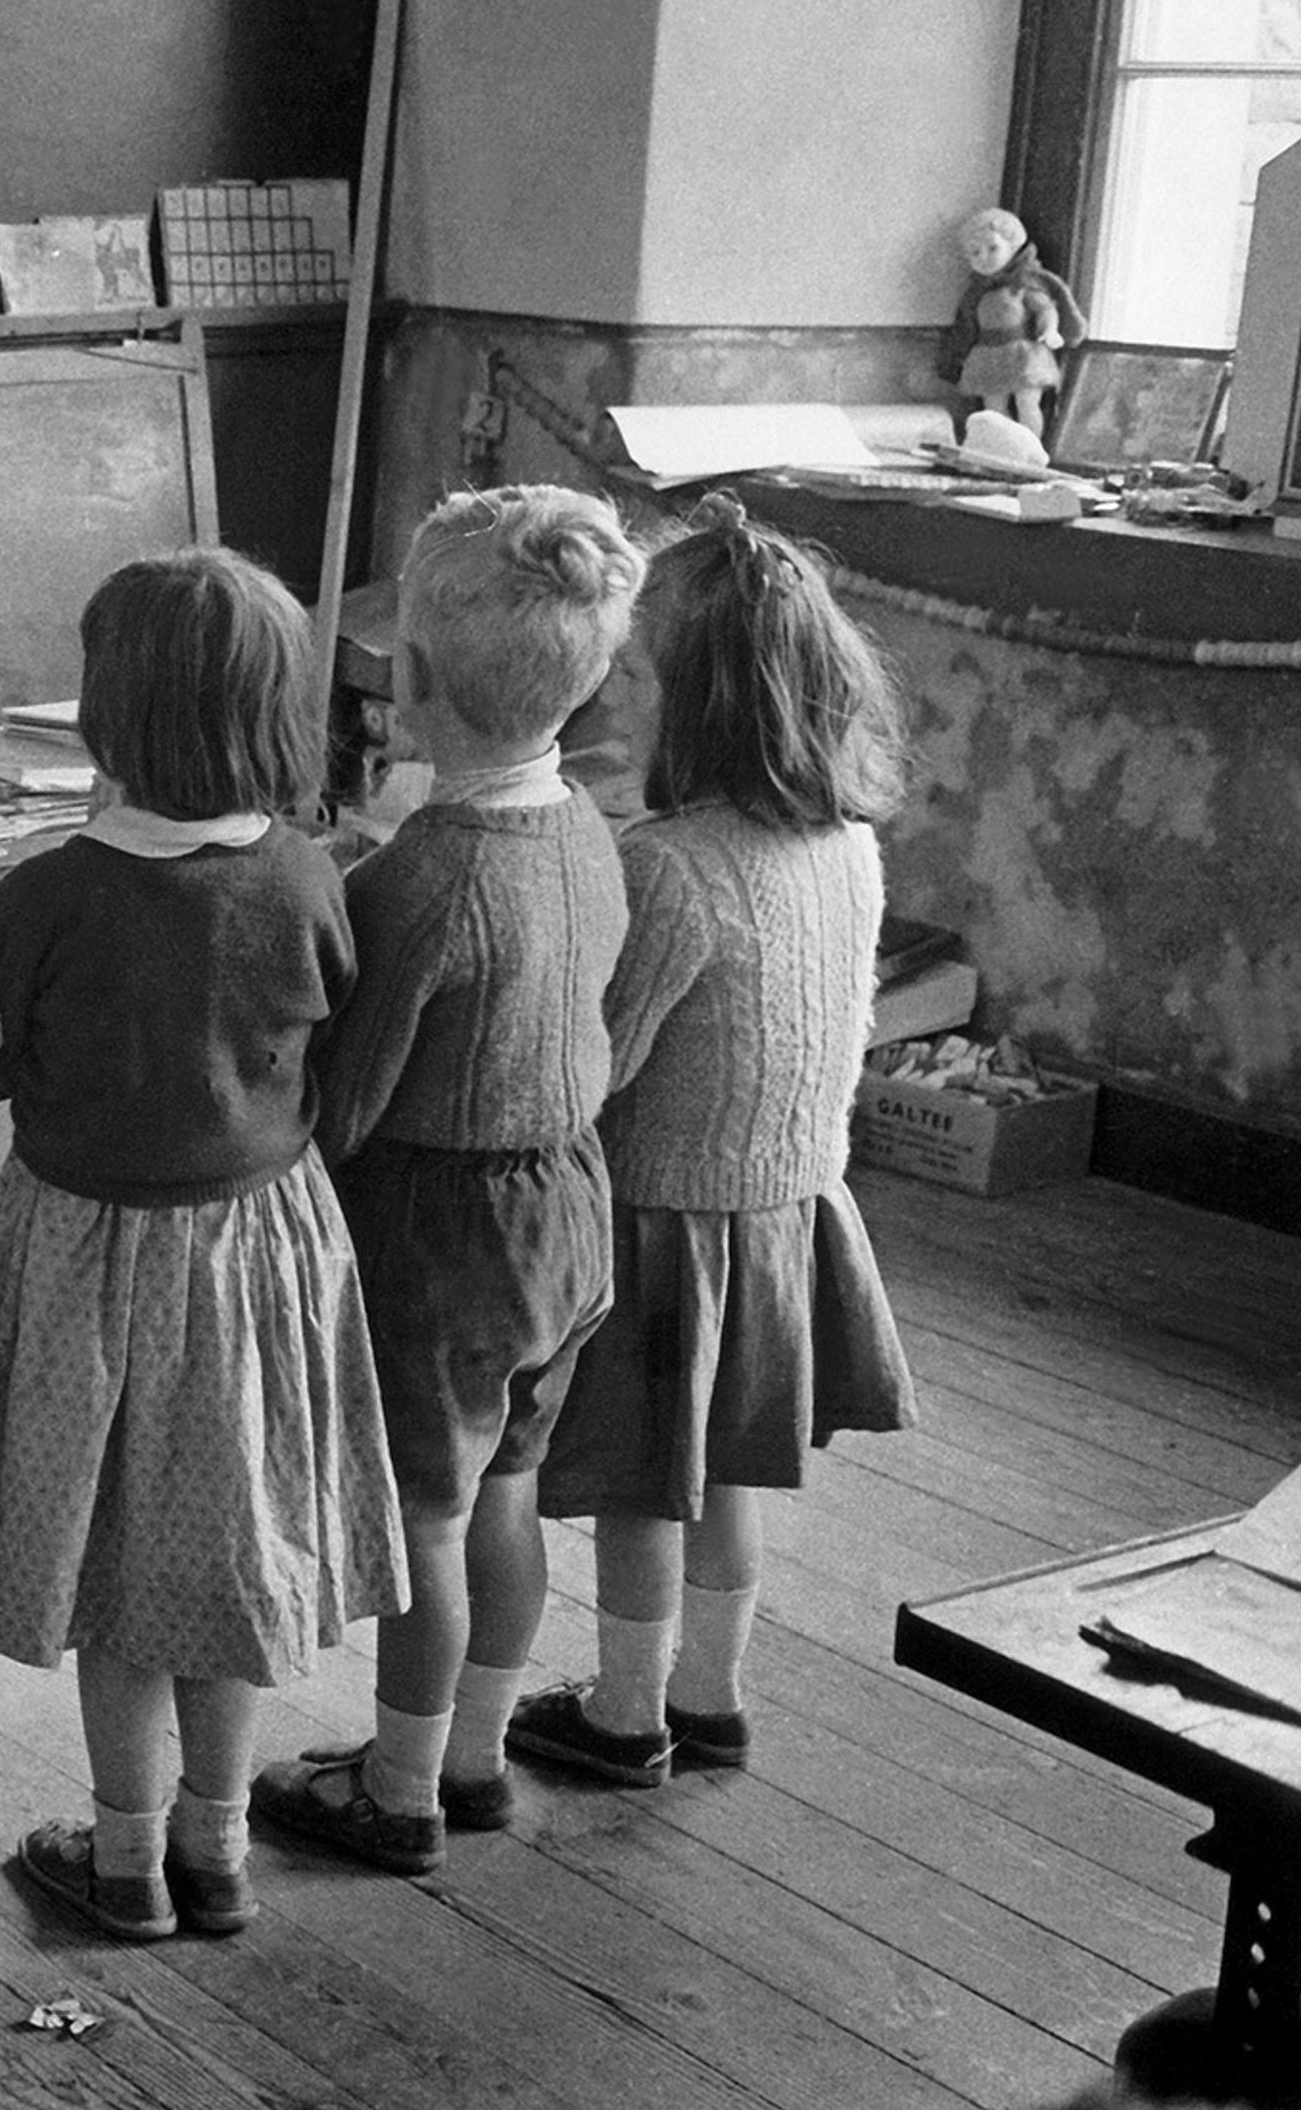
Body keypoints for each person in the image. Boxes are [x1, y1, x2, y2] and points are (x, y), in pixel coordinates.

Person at [0, 547, 403, 1945]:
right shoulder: (306, 877)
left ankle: (127, 1858)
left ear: (104, 717)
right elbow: (325, 1011)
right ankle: (217, 1848)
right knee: (226, 1556)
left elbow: (5, 1067)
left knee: (114, 1577)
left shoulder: (41, 897)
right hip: (259, 1252)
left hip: (89, 1255)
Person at [247, 489, 642, 1873]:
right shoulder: (585, 825)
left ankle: (398, 1787)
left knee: (428, 1512)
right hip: (566, 1206)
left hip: (443, 1231)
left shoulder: (428, 874)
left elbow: (343, 1102)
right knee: (509, 1490)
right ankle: (471, 1757)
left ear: (405, 681)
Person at [509, 505, 918, 1788]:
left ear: (707, 702)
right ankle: (714, 1695)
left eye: (633, 674)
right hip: (788, 1209)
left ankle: (625, 1717)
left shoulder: (674, 868)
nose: (608, 694)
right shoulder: (847, 842)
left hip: (665, 1221)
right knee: (729, 1474)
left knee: (640, 1488)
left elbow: (597, 1067)